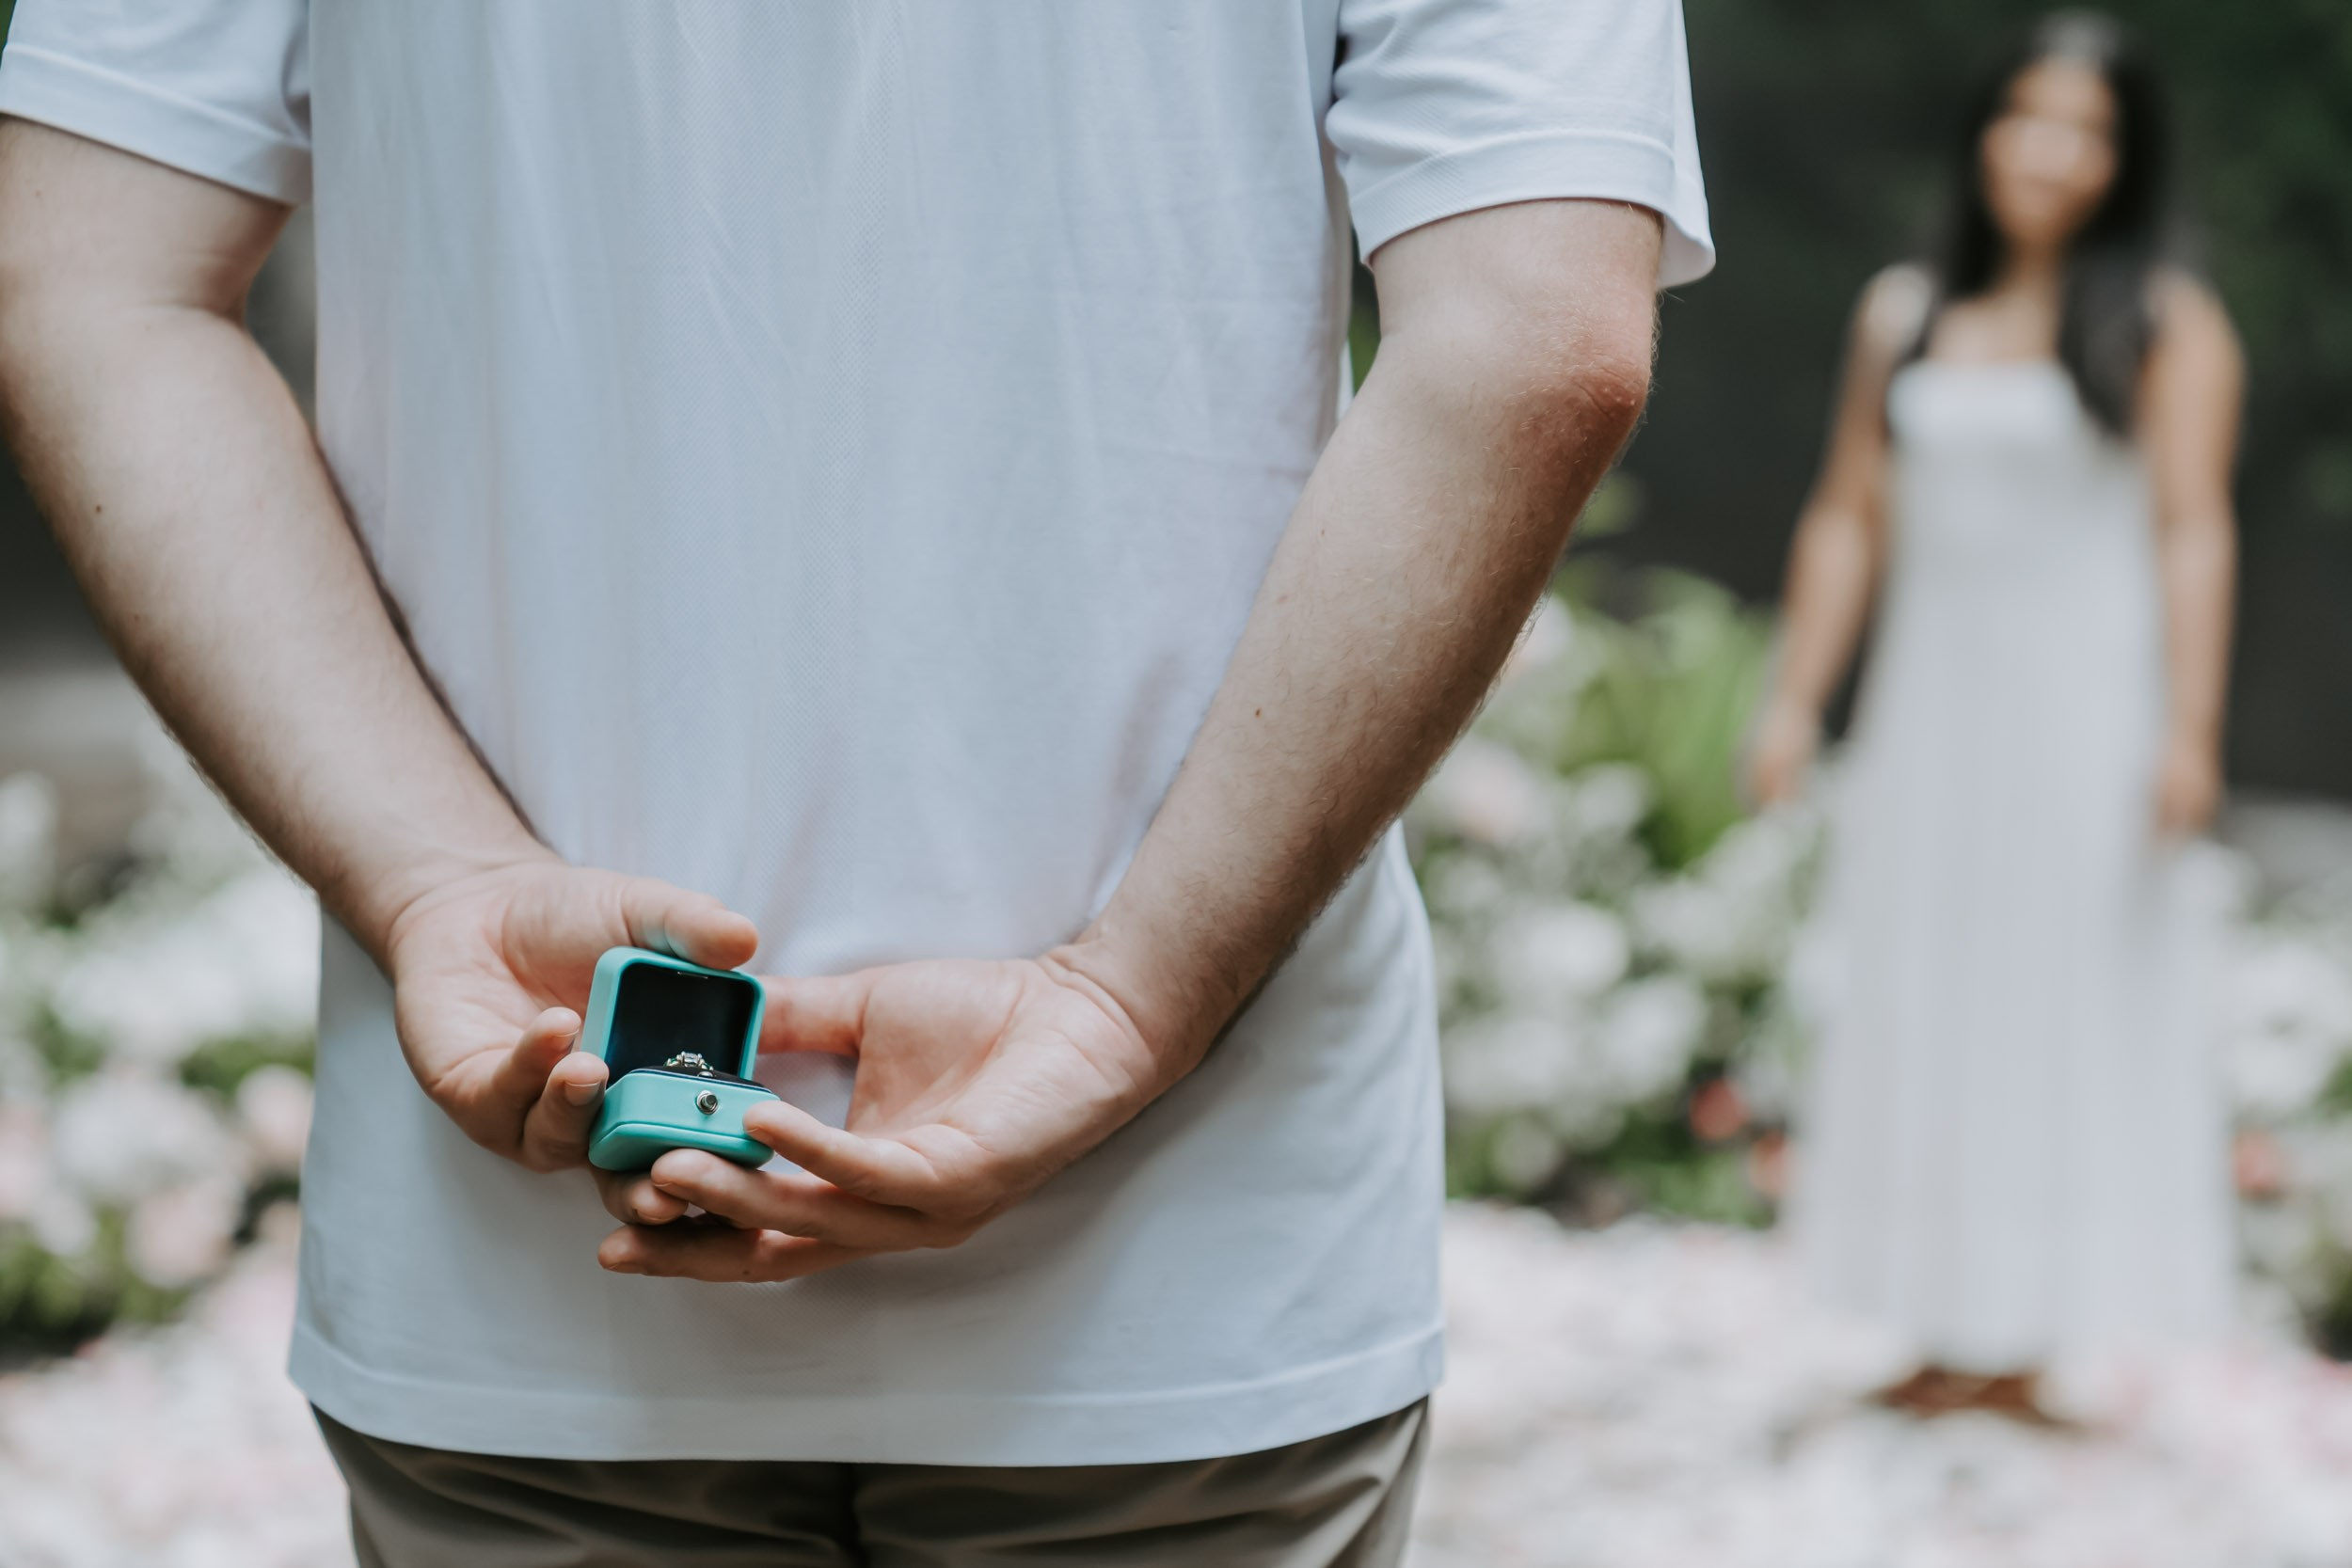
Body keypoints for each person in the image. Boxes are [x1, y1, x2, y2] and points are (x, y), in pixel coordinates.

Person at [0, 2, 1711, 1560]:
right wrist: (1132, 994)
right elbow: (1533, 336)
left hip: (525, 1245)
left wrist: (435, 878)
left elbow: (88, 282)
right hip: (1180, 1273)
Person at [1749, 11, 2237, 1423]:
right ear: (1984, 131)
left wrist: (2189, 732)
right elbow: (1848, 513)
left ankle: (2031, 1332)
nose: (2051, 151)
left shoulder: (2165, 324)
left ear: (2125, 159)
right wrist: (1793, 698)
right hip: (1929, 721)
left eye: (2087, 129)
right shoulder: (1902, 314)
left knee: (2058, 1002)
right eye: (2029, 116)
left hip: (2085, 720)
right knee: (1927, 991)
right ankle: (1937, 1318)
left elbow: (2193, 532)